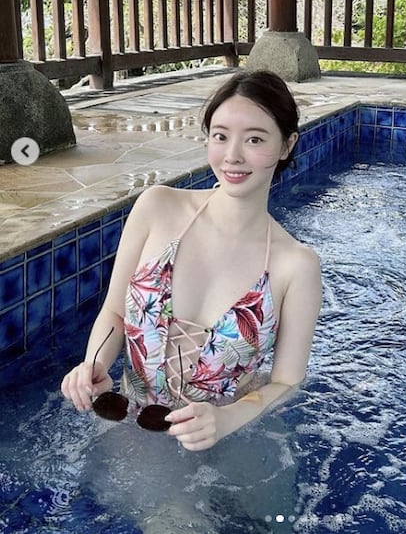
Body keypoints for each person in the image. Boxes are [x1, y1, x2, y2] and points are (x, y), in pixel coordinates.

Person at [61, 69, 322, 452]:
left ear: (287, 145)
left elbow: (286, 382)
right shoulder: (157, 207)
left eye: (254, 139)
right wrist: (94, 364)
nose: (232, 155)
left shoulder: (295, 265)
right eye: (221, 136)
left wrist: (226, 420)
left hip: (226, 449)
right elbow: (114, 312)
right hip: (129, 433)